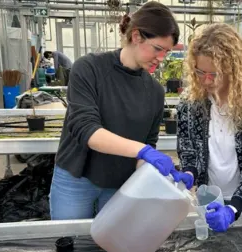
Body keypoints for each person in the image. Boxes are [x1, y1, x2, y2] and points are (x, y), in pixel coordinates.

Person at [49, 2, 193, 220]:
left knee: (112, 246)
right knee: (70, 242)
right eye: (158, 48)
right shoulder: (89, 69)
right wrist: (144, 151)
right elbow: (86, 129)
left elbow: (148, 142)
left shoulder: (154, 92)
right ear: (136, 36)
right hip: (76, 177)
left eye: (167, 51)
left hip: (120, 184)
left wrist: (163, 175)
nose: (162, 58)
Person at [176, 23, 242, 232]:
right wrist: (189, 172)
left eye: (214, 74)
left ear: (233, 68)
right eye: (200, 72)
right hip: (211, 198)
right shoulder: (191, 103)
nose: (206, 80)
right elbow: (189, 150)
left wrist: (234, 208)